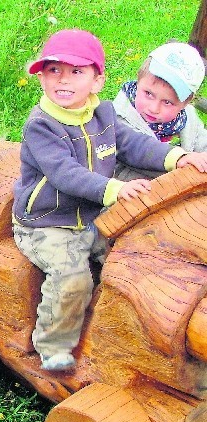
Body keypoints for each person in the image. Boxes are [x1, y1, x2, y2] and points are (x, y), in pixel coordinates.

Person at [12, 29, 207, 372]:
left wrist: (176, 157)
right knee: (73, 277)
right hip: (49, 222)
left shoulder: (103, 115)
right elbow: (64, 173)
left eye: (76, 72)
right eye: (53, 71)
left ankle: (126, 335)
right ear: (40, 76)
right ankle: (53, 348)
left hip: (91, 217)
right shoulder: (41, 125)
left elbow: (135, 144)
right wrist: (114, 189)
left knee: (131, 260)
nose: (63, 80)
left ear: (97, 81)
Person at [114, 41, 207, 181]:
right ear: (138, 80)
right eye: (148, 94)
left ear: (185, 103)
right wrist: (181, 161)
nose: (154, 108)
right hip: (131, 191)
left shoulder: (188, 119)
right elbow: (138, 154)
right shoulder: (117, 116)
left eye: (167, 102)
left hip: (183, 186)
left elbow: (203, 143)